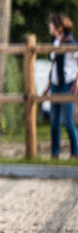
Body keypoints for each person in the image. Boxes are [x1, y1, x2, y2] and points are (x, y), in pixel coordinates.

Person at [43, 12, 77, 159]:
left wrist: (76, 83)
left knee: (67, 121)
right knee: (54, 121)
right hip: (55, 85)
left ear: (58, 26)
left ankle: (75, 152)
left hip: (67, 84)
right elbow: (53, 65)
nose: (49, 26)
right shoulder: (54, 43)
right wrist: (48, 85)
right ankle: (55, 153)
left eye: (51, 24)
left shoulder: (70, 43)